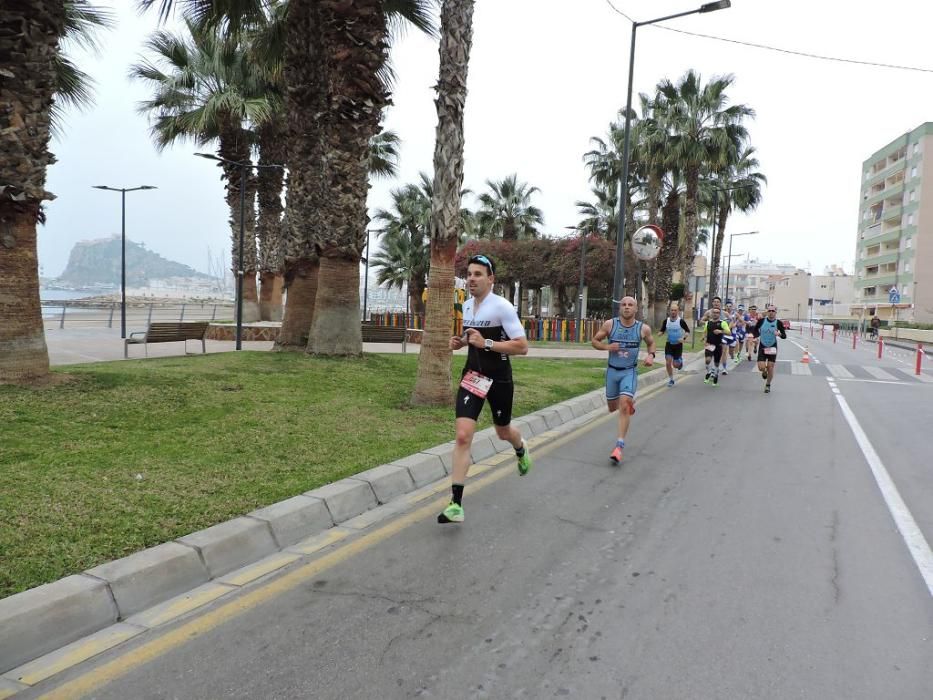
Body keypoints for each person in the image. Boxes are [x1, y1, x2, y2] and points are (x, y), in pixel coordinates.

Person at [440, 254, 532, 524]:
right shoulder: (467, 306)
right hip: (472, 376)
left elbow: (522, 346)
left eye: (478, 274)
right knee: (462, 435)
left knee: (502, 431)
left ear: (491, 279)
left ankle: (520, 447)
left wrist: (487, 344)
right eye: (469, 274)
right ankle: (455, 504)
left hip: (499, 378)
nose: (471, 278)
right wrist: (462, 342)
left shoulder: (502, 307)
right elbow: (475, 339)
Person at [591, 296, 656, 464]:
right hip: (612, 372)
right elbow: (594, 341)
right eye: (624, 305)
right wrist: (607, 347)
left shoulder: (643, 329)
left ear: (636, 309)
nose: (626, 307)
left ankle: (619, 446)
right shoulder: (610, 325)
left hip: (629, 372)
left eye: (630, 305)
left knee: (624, 406)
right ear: (620, 308)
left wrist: (651, 355)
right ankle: (626, 405)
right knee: (613, 408)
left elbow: (651, 343)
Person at [755, 304, 788, 394]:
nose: (771, 313)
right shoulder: (762, 321)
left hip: (772, 346)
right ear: (767, 312)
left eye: (773, 311)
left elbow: (784, 336)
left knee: (770, 366)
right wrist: (755, 337)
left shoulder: (778, 323)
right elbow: (755, 330)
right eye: (769, 311)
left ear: (775, 312)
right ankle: (764, 371)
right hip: (762, 345)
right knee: (761, 367)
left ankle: (768, 385)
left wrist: (779, 334)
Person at [659, 302, 690, 386]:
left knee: (675, 365)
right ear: (669, 311)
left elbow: (687, 331)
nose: (673, 312)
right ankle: (671, 379)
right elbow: (662, 330)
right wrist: (660, 333)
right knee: (668, 362)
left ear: (678, 311)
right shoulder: (666, 321)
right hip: (669, 344)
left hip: (678, 345)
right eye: (672, 310)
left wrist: (683, 338)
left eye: (675, 310)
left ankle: (680, 362)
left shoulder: (681, 321)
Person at [702, 307, 730, 386]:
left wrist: (720, 331)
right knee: (707, 360)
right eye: (714, 312)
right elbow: (704, 332)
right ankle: (709, 372)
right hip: (709, 344)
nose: (715, 314)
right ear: (711, 314)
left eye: (717, 312)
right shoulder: (708, 323)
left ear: (719, 314)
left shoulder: (722, 323)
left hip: (718, 345)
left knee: (716, 363)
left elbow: (729, 333)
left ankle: (716, 376)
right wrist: (704, 339)